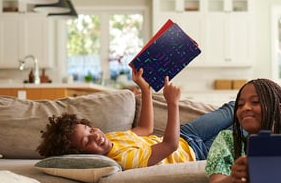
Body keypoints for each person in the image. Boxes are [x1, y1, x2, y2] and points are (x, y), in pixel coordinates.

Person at [37, 67, 234, 170]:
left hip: (186, 134)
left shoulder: (111, 139)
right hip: (196, 153)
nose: (95, 136)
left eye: (89, 130)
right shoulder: (124, 160)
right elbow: (169, 146)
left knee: (233, 108)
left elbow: (145, 128)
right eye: (87, 141)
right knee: (242, 130)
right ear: (81, 155)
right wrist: (172, 103)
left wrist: (144, 89)